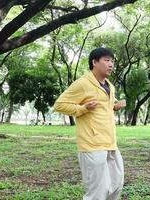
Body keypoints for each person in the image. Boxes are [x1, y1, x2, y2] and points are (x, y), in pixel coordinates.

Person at [54, 47, 126, 200]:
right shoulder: (82, 84)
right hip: (91, 144)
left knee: (116, 184)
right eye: (106, 60)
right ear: (94, 62)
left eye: (112, 61)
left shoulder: (109, 86)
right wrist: (82, 108)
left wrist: (115, 106)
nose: (111, 64)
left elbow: (104, 106)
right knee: (98, 191)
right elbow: (59, 105)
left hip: (110, 142)